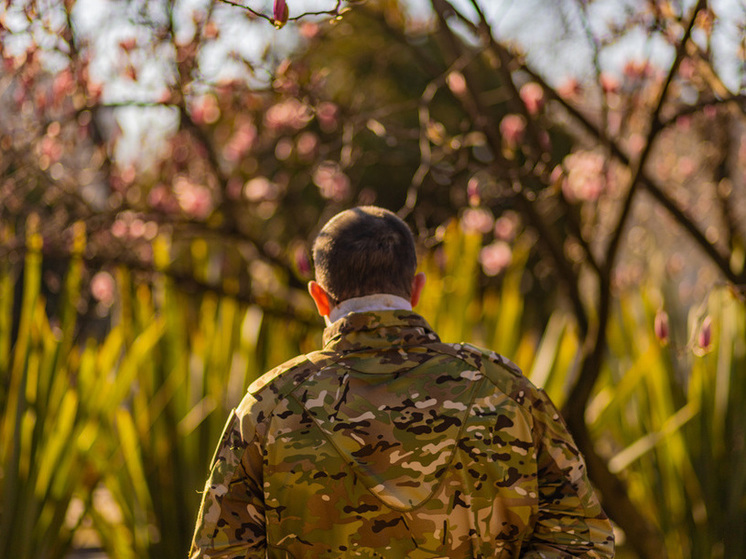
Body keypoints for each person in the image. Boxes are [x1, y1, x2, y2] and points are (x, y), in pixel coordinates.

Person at [189, 206, 615, 558]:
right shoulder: (505, 388)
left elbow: (220, 552)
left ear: (319, 298)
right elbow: (583, 542)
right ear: (416, 289)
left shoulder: (269, 406)